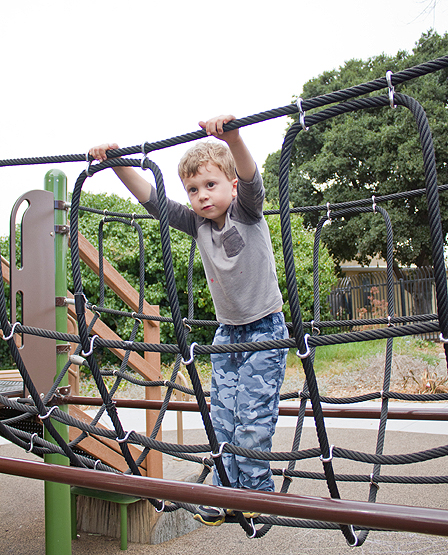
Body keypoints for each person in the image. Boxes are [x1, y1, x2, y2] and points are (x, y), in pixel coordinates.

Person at [89, 115, 289, 526]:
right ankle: (222, 489)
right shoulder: (197, 223)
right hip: (226, 334)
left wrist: (231, 136)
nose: (201, 196)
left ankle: (257, 494)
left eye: (211, 185)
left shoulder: (247, 212)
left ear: (231, 187)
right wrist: (118, 163)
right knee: (222, 418)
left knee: (252, 419)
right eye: (193, 190)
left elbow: (250, 176)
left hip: (265, 330)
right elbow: (153, 200)